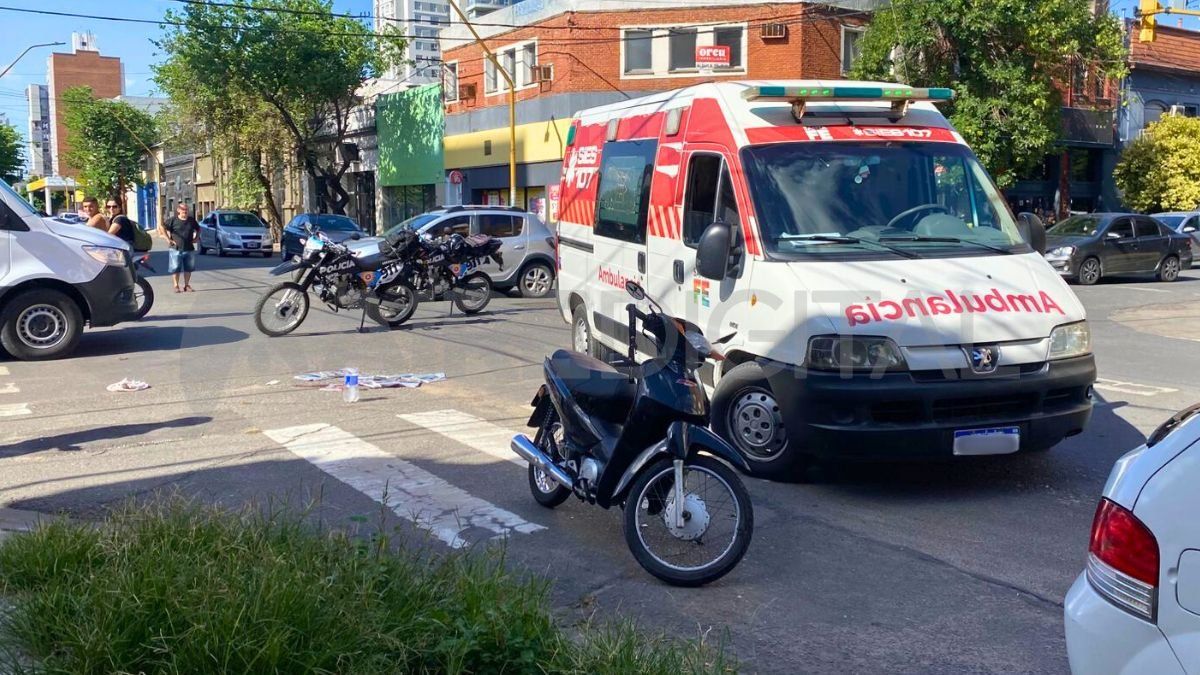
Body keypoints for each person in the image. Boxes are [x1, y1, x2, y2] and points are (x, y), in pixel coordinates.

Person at [158, 203, 200, 293]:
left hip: (189, 248)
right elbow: (162, 227)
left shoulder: (191, 221)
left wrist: (196, 238)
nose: (185, 211)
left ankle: (186, 285)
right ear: (178, 210)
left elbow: (198, 229)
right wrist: (168, 239)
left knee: (188, 268)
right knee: (176, 268)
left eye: (186, 209)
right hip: (175, 249)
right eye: (183, 209)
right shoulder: (173, 220)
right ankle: (176, 285)